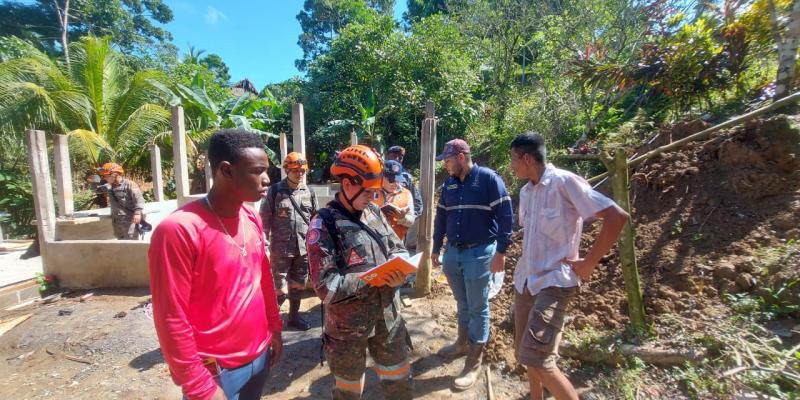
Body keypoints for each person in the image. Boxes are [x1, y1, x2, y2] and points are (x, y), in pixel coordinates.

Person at [148, 129, 283, 400]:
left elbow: (261, 278)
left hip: (260, 356)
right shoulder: (179, 230)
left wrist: (274, 328)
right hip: (217, 372)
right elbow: (171, 316)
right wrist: (199, 386)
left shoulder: (250, 217)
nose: (267, 179)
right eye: (258, 171)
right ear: (226, 171)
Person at [509, 132, 628, 400]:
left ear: (526, 158)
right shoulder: (526, 192)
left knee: (540, 358)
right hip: (526, 280)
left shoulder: (564, 182)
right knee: (525, 353)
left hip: (554, 281)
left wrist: (589, 262)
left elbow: (615, 216)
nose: (511, 166)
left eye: (513, 160)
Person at [306, 145, 413, 400]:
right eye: (367, 191)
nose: (372, 197)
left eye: (375, 191)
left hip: (389, 320)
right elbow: (325, 288)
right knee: (349, 393)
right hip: (347, 332)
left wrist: (400, 269)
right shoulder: (324, 224)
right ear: (347, 183)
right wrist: (372, 279)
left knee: (399, 383)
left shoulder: (374, 212)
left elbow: (397, 247)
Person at [431, 138, 514, 390]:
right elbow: (441, 217)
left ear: (460, 157)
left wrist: (501, 252)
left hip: (480, 252)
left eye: (446, 160)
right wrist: (436, 248)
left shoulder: (488, 179)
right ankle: (461, 343)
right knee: (462, 302)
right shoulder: (450, 185)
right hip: (454, 253)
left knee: (478, 307)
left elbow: (506, 215)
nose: (444, 166)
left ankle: (473, 364)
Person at [260, 152, 318, 331]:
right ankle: (271, 322)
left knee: (298, 285)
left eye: (302, 170)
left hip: (303, 249)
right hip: (281, 249)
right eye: (295, 170)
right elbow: (264, 220)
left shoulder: (309, 192)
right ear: (286, 170)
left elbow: (316, 220)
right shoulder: (276, 191)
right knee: (279, 289)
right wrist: (265, 245)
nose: (299, 173)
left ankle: (294, 318)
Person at [95, 162, 145, 240]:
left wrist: (138, 213)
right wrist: (95, 182)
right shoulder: (109, 186)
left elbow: (138, 200)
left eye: (106, 176)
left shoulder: (129, 184)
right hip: (117, 221)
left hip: (130, 221)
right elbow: (97, 190)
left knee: (131, 245)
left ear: (115, 175)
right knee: (120, 244)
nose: (105, 178)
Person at [386, 146, 423, 251]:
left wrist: (408, 220)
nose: (397, 159)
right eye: (394, 156)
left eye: (400, 157)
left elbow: (417, 202)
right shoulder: (377, 174)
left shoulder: (407, 177)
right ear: (387, 156)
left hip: (400, 228)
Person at [373, 160, 415, 242]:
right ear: (382, 177)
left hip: (397, 244)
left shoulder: (406, 194)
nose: (396, 184)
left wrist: (402, 218)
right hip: (375, 241)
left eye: (398, 180)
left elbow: (411, 221)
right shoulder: (371, 191)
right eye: (391, 180)